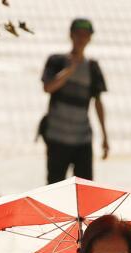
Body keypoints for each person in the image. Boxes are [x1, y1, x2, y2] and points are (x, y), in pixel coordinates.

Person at [41, 18, 109, 183]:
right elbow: (48, 87)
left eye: (85, 35)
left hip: (82, 139)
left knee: (85, 188)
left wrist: (105, 136)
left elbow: (98, 102)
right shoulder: (56, 60)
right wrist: (69, 70)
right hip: (57, 136)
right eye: (78, 34)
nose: (81, 39)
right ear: (71, 35)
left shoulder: (93, 67)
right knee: (54, 187)